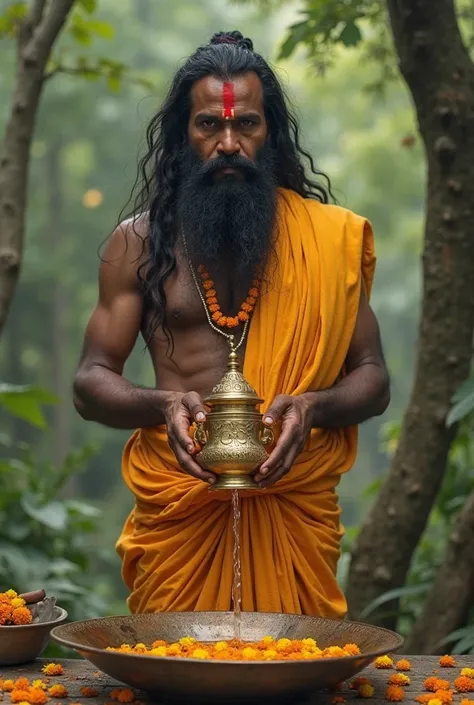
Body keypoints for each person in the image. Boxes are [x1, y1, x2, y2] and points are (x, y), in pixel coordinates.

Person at [73, 30, 389, 617]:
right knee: (176, 674)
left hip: (291, 514)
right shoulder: (137, 245)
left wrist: (313, 406)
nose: (227, 143)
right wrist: (162, 404)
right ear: (182, 135)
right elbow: (91, 381)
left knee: (295, 677)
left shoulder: (325, 242)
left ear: (269, 132)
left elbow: (372, 376)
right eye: (207, 126)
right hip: (182, 520)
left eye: (245, 124)